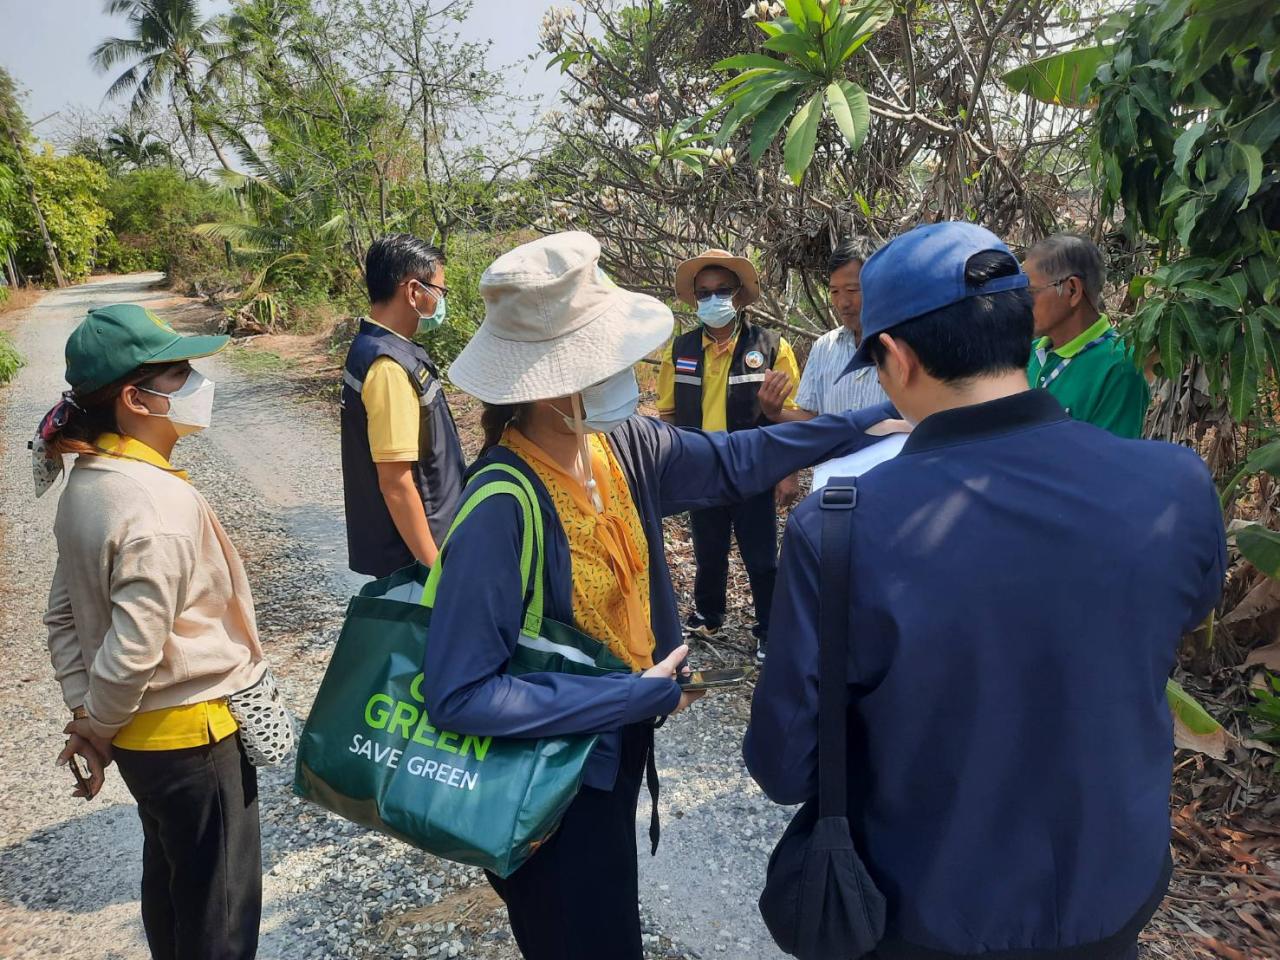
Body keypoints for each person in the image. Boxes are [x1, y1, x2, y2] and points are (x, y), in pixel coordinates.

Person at [746, 222, 1226, 960]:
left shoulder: (843, 528)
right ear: (1017, 327)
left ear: (896, 358)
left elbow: (785, 765)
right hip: (1111, 902)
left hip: (925, 916)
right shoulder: (1176, 484)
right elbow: (1172, 620)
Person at [425, 232, 898, 960]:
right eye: (606, 361)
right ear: (553, 383)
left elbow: (739, 458)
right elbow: (459, 694)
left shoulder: (619, 446)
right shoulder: (499, 507)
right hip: (543, 791)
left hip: (605, 762)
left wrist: (865, 422)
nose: (628, 375)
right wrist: (632, 697)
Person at [39, 304, 268, 960]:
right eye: (180, 373)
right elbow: (135, 645)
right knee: (220, 916)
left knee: (175, 889)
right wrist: (97, 726)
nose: (198, 384)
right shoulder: (155, 504)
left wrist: (89, 712)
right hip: (194, 736)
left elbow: (63, 615)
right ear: (136, 399)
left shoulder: (92, 483)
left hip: (148, 747)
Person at [656, 248, 803, 661]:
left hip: (753, 466)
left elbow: (788, 418)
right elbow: (667, 413)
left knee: (760, 555)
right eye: (703, 293)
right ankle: (708, 613)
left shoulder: (772, 347)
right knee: (708, 546)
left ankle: (771, 628)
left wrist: (787, 472)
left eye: (721, 290)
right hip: (699, 465)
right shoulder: (681, 350)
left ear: (739, 295)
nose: (712, 299)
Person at [341, 233, 466, 578]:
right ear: (413, 292)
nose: (441, 301)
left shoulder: (380, 347)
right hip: (416, 557)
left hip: (423, 544)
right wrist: (435, 570)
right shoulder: (388, 367)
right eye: (439, 291)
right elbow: (395, 482)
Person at [1024, 233, 1150, 438]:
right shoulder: (1030, 353)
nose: (1022, 302)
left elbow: (1108, 460)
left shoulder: (1119, 368)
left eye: (1030, 292)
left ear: (1072, 290)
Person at [757, 237, 889, 422]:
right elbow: (811, 419)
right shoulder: (824, 348)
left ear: (878, 284)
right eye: (834, 292)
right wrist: (775, 412)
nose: (843, 303)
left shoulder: (906, 346)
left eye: (852, 290)